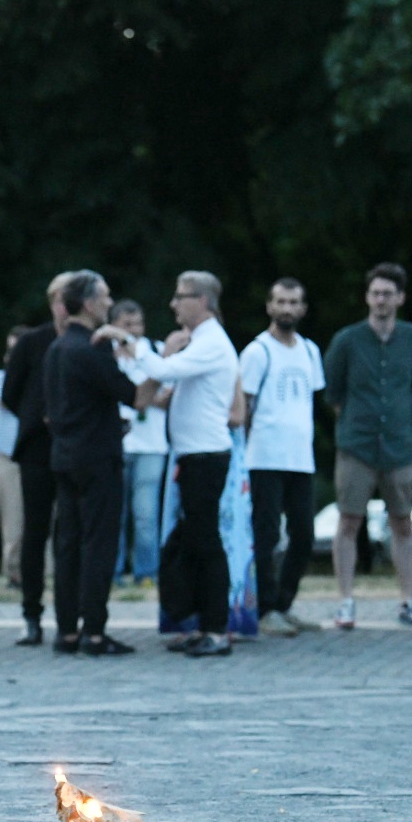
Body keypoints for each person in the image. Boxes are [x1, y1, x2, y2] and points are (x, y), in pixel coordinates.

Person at [323, 263, 412, 629]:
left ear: (400, 298)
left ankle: (409, 599)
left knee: (402, 522)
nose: (381, 300)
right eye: (375, 293)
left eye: (388, 293)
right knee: (349, 520)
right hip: (357, 444)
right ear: (367, 297)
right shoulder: (347, 340)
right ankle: (345, 601)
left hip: (400, 445)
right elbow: (333, 391)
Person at [136, 271, 241, 657]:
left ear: (202, 301)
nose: (173, 304)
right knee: (193, 542)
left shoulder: (211, 342)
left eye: (181, 296)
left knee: (205, 542)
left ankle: (216, 629)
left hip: (206, 457)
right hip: (194, 455)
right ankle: (200, 621)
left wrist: (129, 342)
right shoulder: (202, 342)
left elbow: (163, 371)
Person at [45, 270, 142, 655]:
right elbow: (130, 393)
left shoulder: (57, 348)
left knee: (68, 545)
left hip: (65, 456)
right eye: (104, 297)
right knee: (99, 544)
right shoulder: (92, 346)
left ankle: (67, 629)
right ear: (87, 303)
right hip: (98, 458)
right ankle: (95, 631)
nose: (109, 303)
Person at [241, 279, 326, 638]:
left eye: (294, 302)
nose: (287, 309)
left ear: (303, 309)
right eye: (281, 301)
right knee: (266, 534)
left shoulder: (309, 351)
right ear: (269, 306)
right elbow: (244, 406)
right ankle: (264, 608)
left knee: (304, 533)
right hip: (264, 456)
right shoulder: (257, 351)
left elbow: (312, 400)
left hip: (299, 458)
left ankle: (284, 603)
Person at [1, 273, 74, 646]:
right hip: (37, 448)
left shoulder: (88, 340)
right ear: (52, 303)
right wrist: (36, 414)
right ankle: (32, 613)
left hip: (76, 446)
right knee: (36, 530)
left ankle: (69, 615)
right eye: (62, 299)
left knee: (71, 532)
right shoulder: (32, 342)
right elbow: (10, 394)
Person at [110, 299, 170, 587]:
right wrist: (143, 396)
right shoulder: (105, 354)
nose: (133, 330)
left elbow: (168, 393)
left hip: (151, 445)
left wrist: (140, 397)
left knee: (146, 513)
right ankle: (114, 572)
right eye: (126, 325)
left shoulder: (155, 352)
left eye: (137, 324)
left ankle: (147, 572)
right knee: (114, 513)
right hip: (117, 444)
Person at [0, 327, 26, 591]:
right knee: (13, 519)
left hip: (34, 456)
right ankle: (14, 573)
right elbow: (6, 400)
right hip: (7, 456)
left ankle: (41, 572)